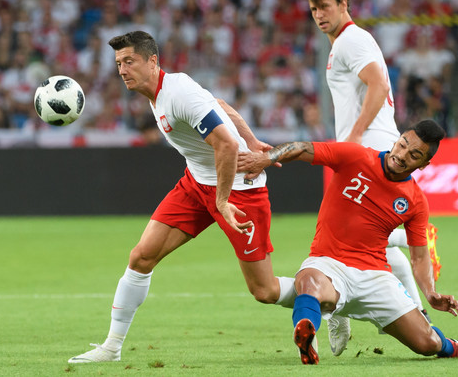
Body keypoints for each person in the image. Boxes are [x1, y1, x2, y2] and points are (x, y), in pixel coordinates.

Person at [68, 30, 296, 363]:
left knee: (264, 291)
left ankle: (326, 298)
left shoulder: (178, 94)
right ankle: (112, 347)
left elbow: (227, 145)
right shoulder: (160, 92)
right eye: (119, 63)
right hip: (196, 184)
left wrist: (221, 199)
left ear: (152, 61)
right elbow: (219, 105)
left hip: (239, 191)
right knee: (141, 257)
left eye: (129, 61)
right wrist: (253, 137)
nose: (122, 70)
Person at [237, 119, 458, 364]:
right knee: (309, 281)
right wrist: (266, 159)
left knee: (427, 344)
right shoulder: (356, 156)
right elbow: (303, 148)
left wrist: (430, 293)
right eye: (402, 144)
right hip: (329, 264)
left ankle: (453, 346)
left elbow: (420, 256)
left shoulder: (415, 201)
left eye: (414, 155)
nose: (402, 155)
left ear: (424, 164)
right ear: (397, 139)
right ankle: (307, 335)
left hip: (376, 277)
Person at [306, 0, 442, 356]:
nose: (319, 15)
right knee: (380, 248)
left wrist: (354, 137)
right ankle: (416, 315)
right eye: (314, 9)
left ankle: (339, 311)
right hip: (371, 145)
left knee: (353, 233)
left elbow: (380, 85)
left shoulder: (352, 40)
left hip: (375, 149)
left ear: (344, 4)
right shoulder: (344, 44)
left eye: (326, 6)